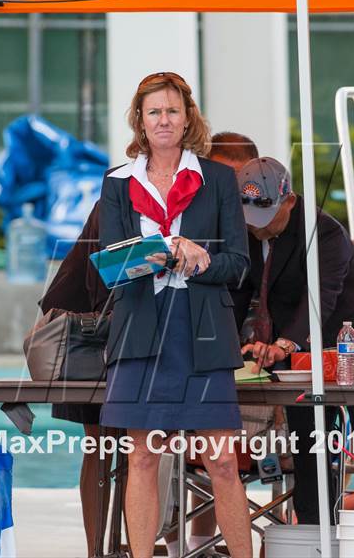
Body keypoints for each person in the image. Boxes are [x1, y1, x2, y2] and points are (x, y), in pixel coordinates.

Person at [98, 72, 252, 558]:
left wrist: (198, 257)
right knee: (142, 457)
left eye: (172, 110)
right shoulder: (118, 184)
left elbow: (239, 265)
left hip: (202, 328)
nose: (164, 120)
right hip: (141, 327)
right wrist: (163, 250)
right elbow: (110, 266)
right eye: (154, 112)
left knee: (223, 463)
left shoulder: (220, 180)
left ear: (188, 119)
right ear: (140, 123)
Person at [234, 156, 354, 523]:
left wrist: (285, 343)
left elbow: (321, 296)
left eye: (267, 218)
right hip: (299, 365)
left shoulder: (324, 230)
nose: (259, 229)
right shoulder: (247, 233)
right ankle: (315, 536)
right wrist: (230, 347)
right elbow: (237, 294)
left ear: (289, 200)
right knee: (309, 453)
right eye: (251, 220)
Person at [39, 204, 114, 558]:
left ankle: (106, 547)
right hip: (88, 337)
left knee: (117, 451)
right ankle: (97, 549)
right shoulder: (114, 204)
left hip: (102, 328)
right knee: (102, 447)